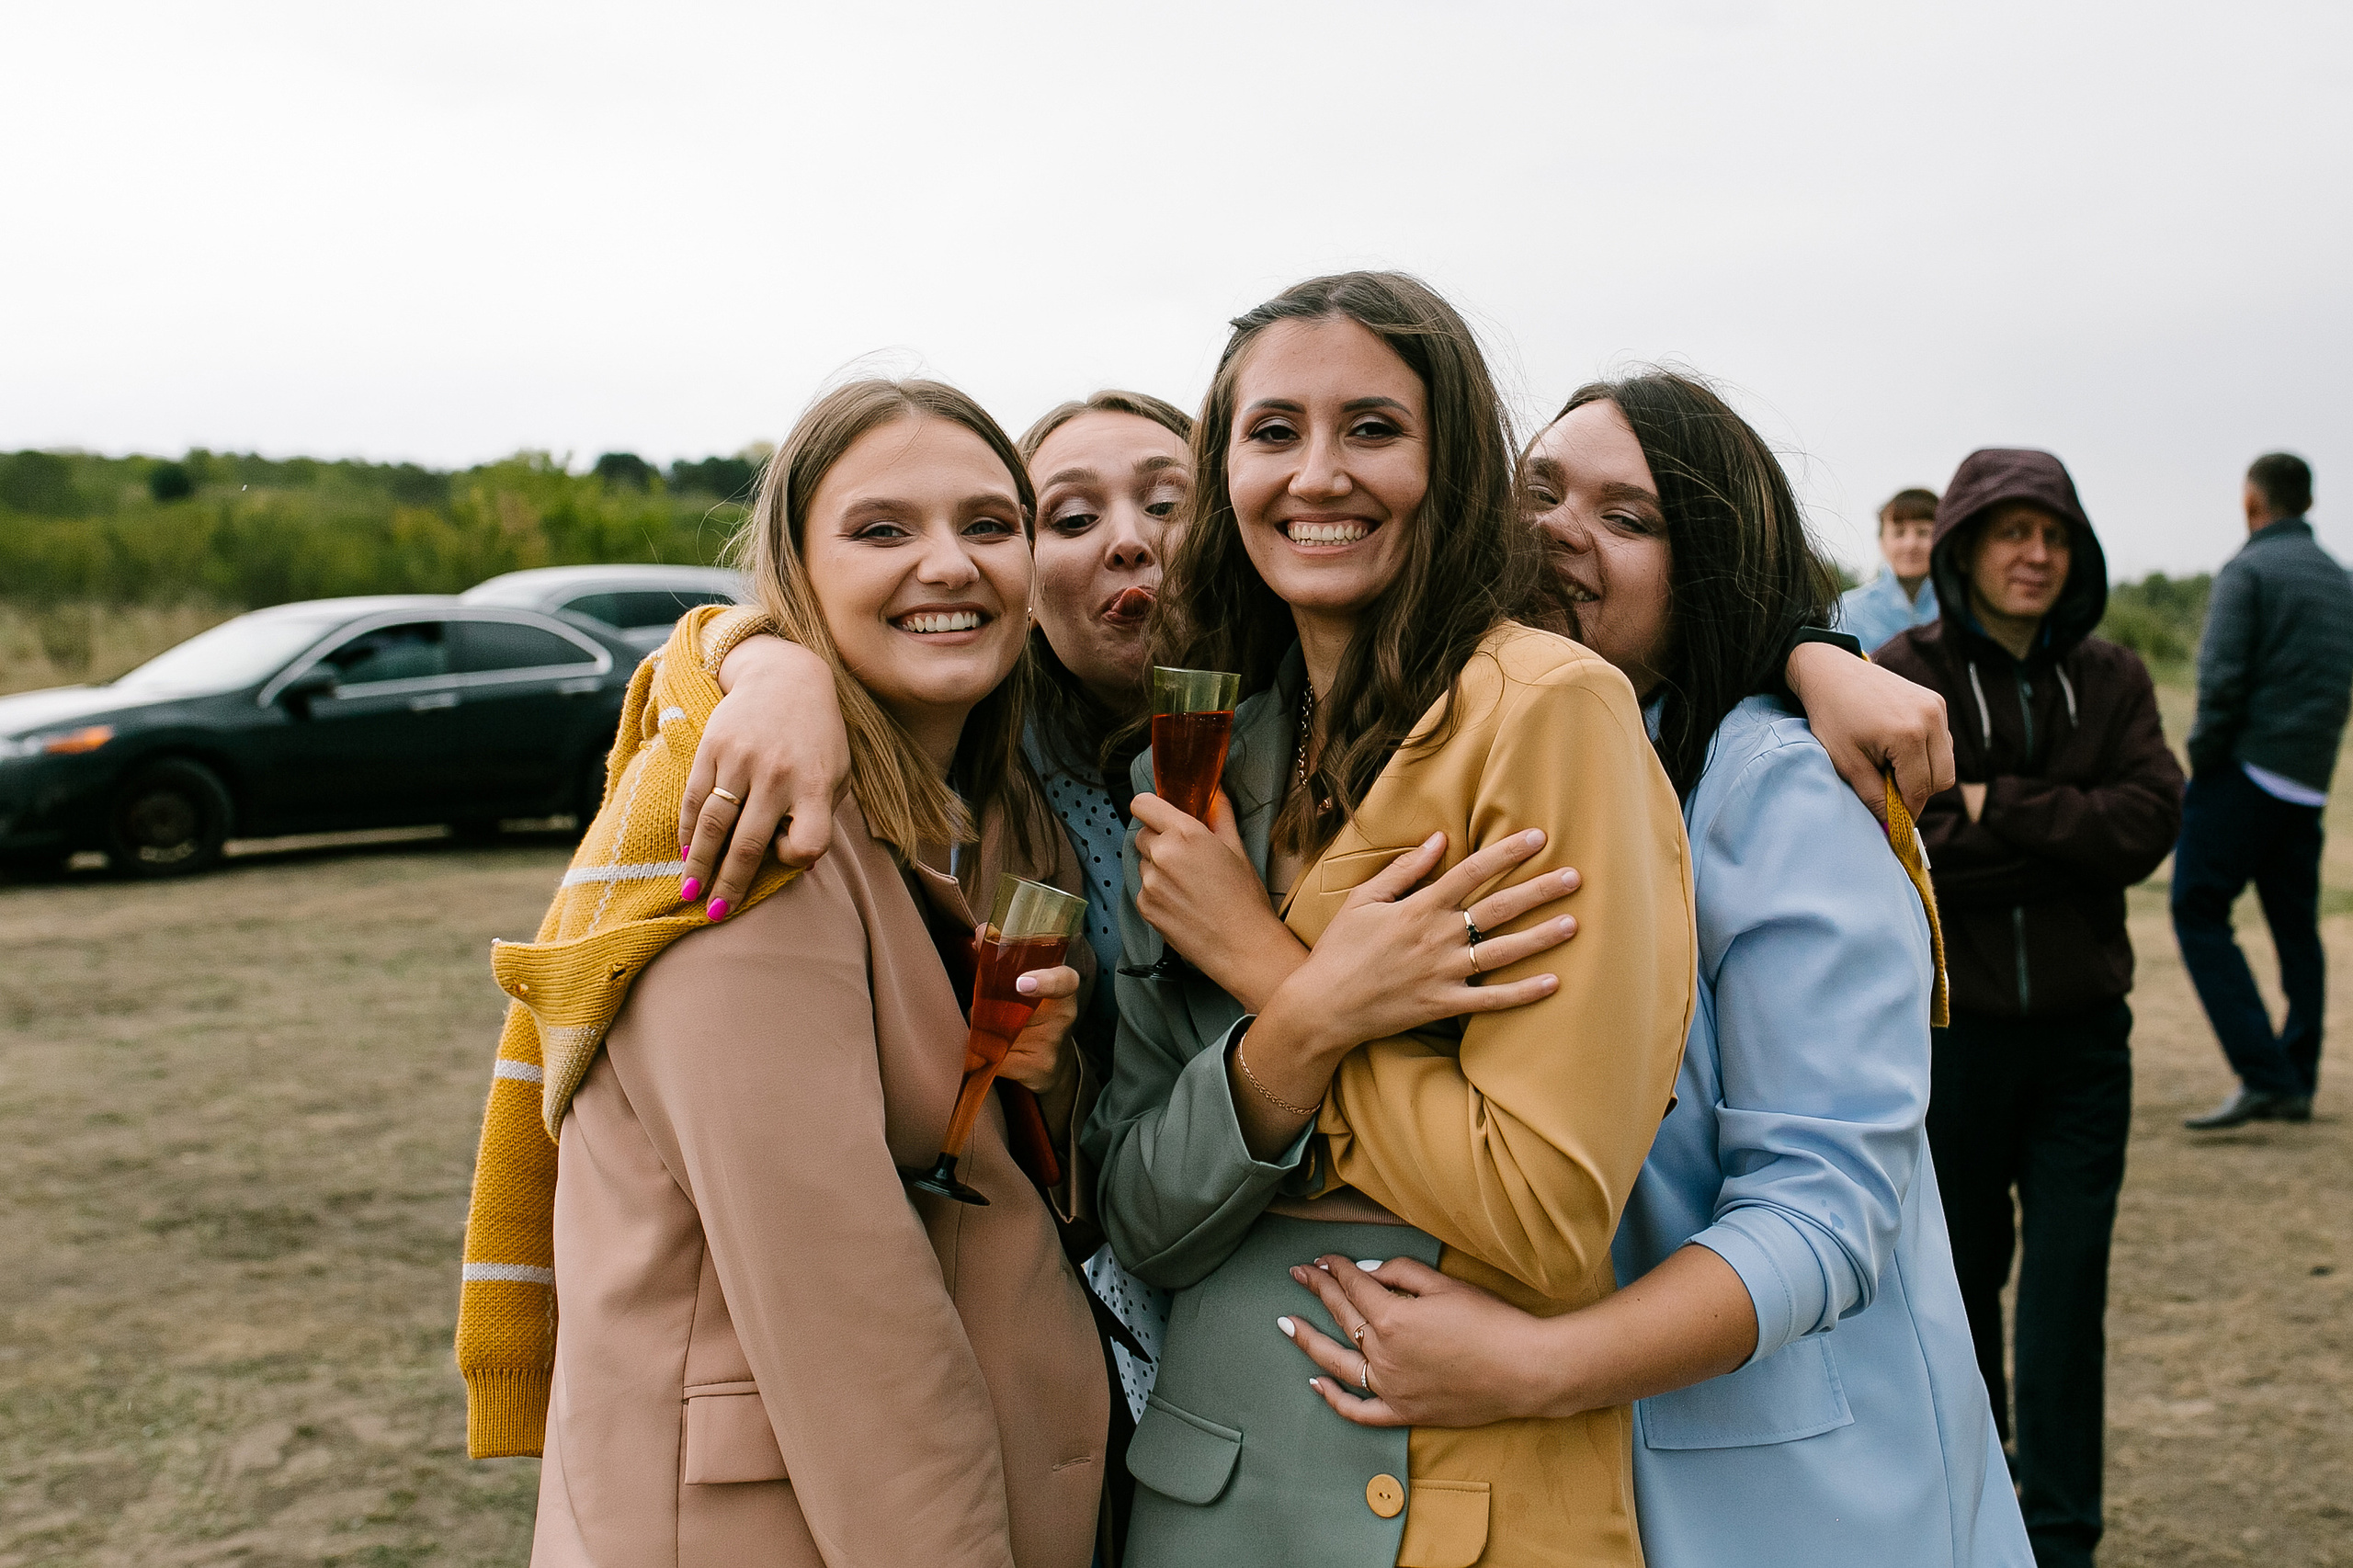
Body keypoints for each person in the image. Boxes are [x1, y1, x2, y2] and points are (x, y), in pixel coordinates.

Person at [1269, 370, 2029, 1566]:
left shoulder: (1773, 788)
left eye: (1628, 518)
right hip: (1605, 1480)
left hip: (1802, 1488)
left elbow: (1824, 1208)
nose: (1558, 531)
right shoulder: (1518, 754)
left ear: (1709, 570)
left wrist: (1528, 1364)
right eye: (1540, 491)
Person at [1082, 271, 1696, 1568]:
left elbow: (1539, 1204)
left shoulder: (1545, 712)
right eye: (1272, 433)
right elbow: (1138, 1212)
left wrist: (1260, 963)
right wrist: (1314, 1018)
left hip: (1449, 1494)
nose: (1317, 474)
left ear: (1454, 459)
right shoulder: (1183, 772)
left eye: (1372, 428)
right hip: (1207, 1503)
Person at [456, 379, 1108, 1567]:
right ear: (795, 577)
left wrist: (1042, 1081)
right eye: (882, 530)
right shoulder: (744, 837)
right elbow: (845, 1320)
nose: (949, 563)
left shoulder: (1001, 824)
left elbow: (985, 1182)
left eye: (987, 523)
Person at [1873, 449, 2184, 1568]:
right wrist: (2066, 837)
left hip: (2081, 1041)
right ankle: (1970, 1513)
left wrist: (1992, 799)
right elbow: (1895, 841)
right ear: (1960, 545)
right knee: (1956, 1288)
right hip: (1945, 1041)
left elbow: (2146, 821)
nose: (2033, 554)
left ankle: (2060, 1536)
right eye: (2008, 532)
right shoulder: (1898, 671)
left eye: (2050, 534)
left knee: (2063, 1290)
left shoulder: (2113, 678)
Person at [2176, 451, 2353, 1129]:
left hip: (2244, 772)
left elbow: (2220, 683)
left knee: (2197, 909)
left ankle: (2264, 1072)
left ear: (2254, 502)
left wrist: (2204, 761)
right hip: (2307, 784)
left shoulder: (2247, 570)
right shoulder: (2340, 579)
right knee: (2295, 930)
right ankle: (2297, 1076)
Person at [1839, 485, 1942, 651]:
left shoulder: (1966, 606)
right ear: (1882, 541)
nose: (1911, 544)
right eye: (1899, 533)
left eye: (1923, 533)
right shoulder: (1847, 611)